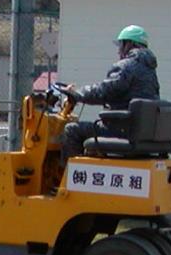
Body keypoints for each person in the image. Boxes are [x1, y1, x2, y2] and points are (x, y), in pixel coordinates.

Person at [59, 25, 160, 162]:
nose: (119, 51)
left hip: (121, 130)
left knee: (72, 130)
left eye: (120, 45)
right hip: (139, 131)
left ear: (128, 44)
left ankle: (71, 177)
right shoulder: (150, 71)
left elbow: (105, 91)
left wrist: (77, 93)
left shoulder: (126, 66)